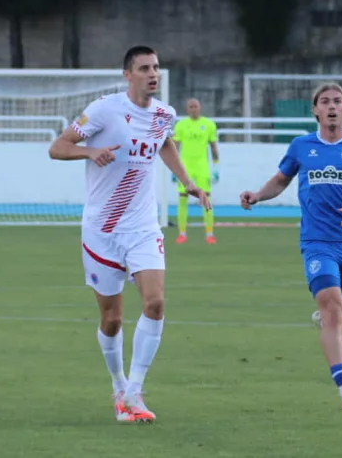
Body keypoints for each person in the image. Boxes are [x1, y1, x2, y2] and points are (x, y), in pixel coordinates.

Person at [48, 45, 210, 424]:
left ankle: (135, 392)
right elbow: (58, 147)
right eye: (144, 68)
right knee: (113, 319)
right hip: (102, 230)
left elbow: (164, 142)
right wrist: (91, 153)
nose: (153, 74)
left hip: (142, 227)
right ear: (128, 74)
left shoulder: (164, 114)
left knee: (154, 303)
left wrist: (186, 182)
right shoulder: (104, 109)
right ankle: (118, 384)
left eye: (155, 67)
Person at [239, 83, 342, 413]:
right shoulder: (301, 146)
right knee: (333, 308)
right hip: (317, 243)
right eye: (325, 102)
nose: (331, 106)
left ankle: (328, 319)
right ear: (315, 111)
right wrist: (257, 196)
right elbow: (281, 179)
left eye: (337, 101)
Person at [171, 98, 220, 244]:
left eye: (196, 106)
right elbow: (174, 147)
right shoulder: (181, 125)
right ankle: (182, 233)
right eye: (191, 106)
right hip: (185, 167)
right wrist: (174, 169)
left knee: (206, 198)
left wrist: (216, 166)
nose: (193, 109)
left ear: (200, 107)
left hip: (202, 167)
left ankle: (209, 234)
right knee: (182, 198)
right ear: (187, 109)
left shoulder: (209, 124)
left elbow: (213, 147)